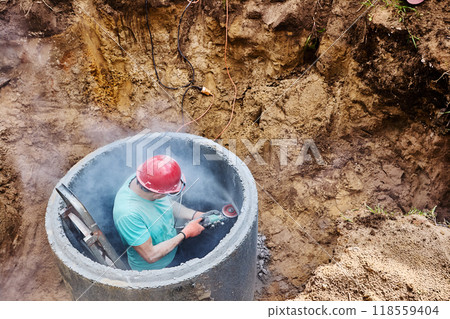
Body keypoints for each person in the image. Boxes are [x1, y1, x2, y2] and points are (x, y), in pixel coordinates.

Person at [113, 155, 206, 271]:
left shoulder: (145, 179)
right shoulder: (128, 215)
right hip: (156, 269)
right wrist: (185, 233)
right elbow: (150, 255)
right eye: (168, 193)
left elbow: (166, 204)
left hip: (172, 249)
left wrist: (193, 214)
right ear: (157, 195)